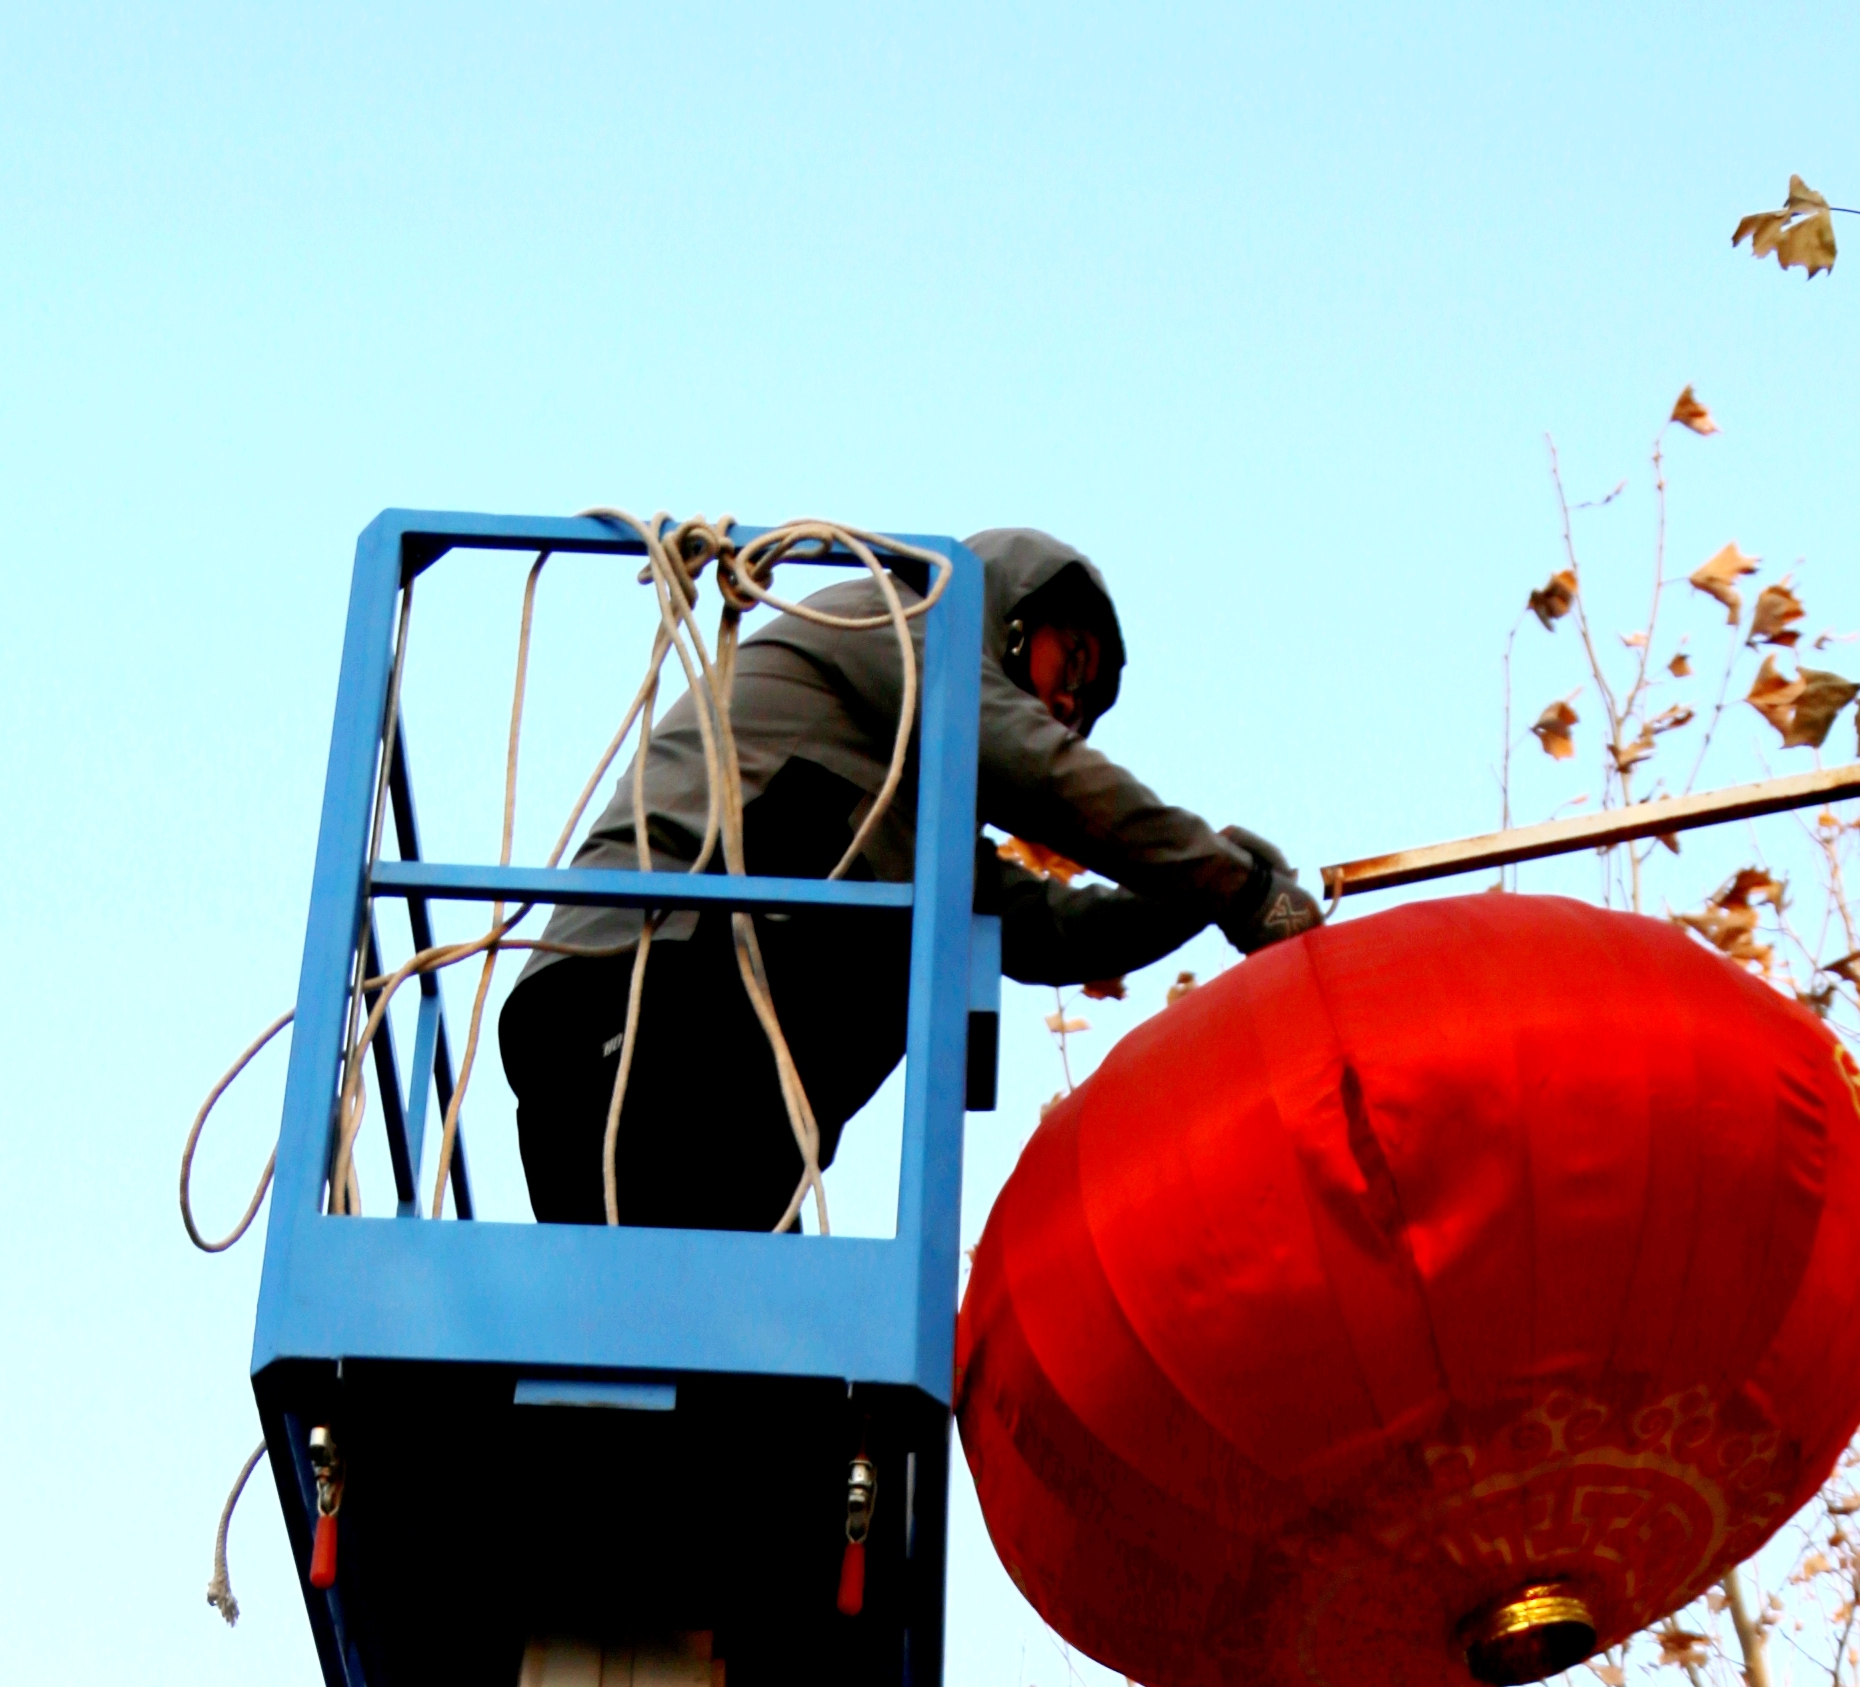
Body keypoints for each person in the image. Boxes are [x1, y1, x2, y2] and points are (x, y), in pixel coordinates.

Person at [498, 525, 1318, 1229]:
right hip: (640, 999)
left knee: (751, 1385)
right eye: (1072, 668)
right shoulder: (896, 624)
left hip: (713, 1083)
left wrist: (1202, 893)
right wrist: (1234, 887)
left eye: (1086, 707)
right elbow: (1044, 775)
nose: (1069, 709)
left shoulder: (915, 821)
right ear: (1015, 616)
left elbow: (1048, 931)